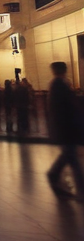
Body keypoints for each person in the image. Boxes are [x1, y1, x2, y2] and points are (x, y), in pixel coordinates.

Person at [46, 61, 84, 201]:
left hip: (64, 128)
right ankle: (81, 191)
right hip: (67, 128)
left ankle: (53, 174)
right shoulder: (60, 84)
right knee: (72, 158)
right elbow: (67, 108)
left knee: (69, 156)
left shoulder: (57, 84)